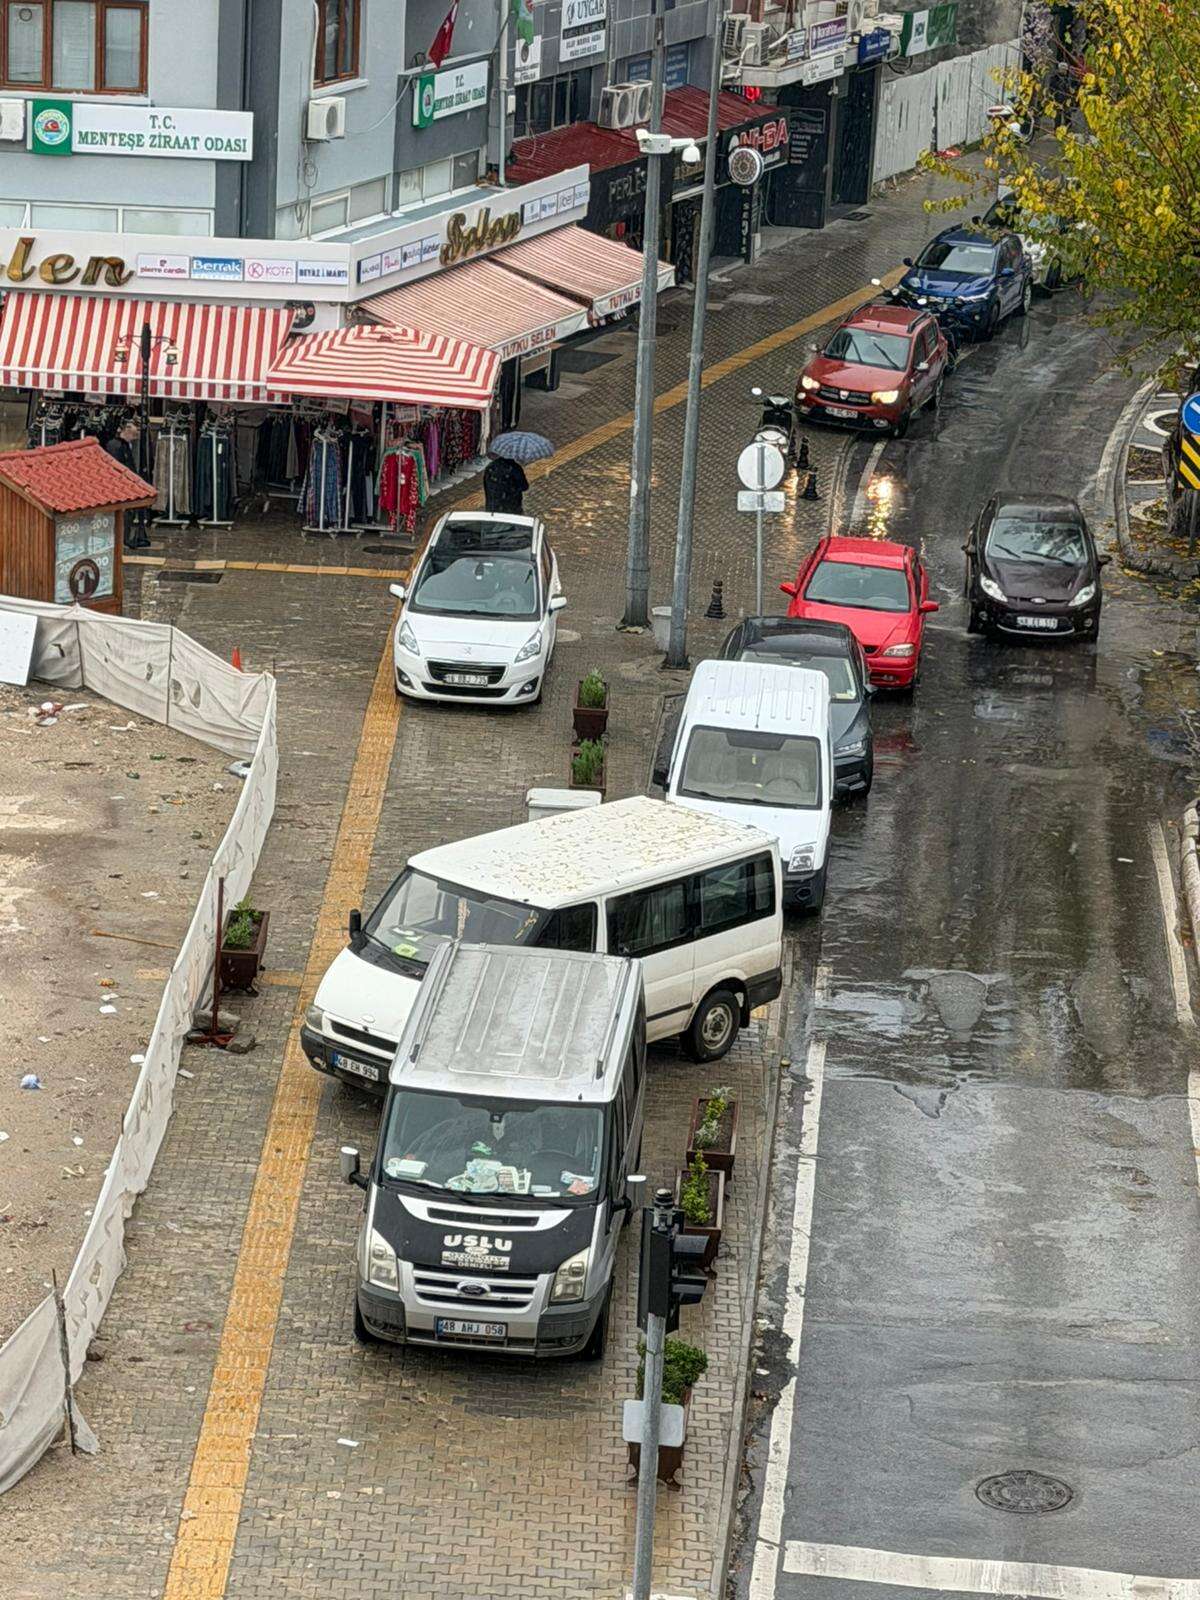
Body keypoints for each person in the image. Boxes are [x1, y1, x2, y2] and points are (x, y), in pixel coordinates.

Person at [106, 421, 151, 549]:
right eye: (133, 435)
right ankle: (123, 538)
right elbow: (118, 466)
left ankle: (124, 538)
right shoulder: (117, 446)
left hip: (125, 482)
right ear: (126, 432)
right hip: (119, 484)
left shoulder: (122, 445)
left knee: (128, 512)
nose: (134, 438)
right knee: (125, 512)